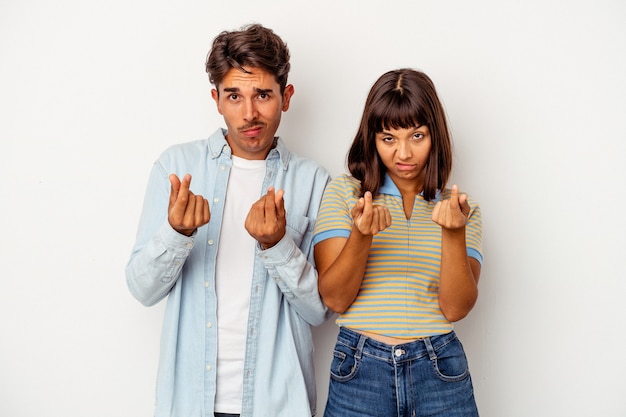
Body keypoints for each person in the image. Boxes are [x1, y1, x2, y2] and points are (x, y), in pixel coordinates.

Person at [126, 23, 332, 417]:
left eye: (263, 95)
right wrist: (176, 233)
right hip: (190, 400)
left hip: (279, 403)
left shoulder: (313, 182)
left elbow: (320, 310)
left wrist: (277, 245)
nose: (249, 113)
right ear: (216, 99)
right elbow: (142, 289)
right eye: (234, 95)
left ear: (286, 97)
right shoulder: (177, 167)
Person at [312, 68, 483, 417]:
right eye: (388, 138)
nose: (403, 153)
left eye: (417, 136)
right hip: (360, 370)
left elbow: (456, 309)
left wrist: (453, 233)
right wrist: (361, 235)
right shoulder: (346, 193)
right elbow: (334, 298)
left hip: (440, 369)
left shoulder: (461, 210)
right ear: (371, 139)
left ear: (435, 136)